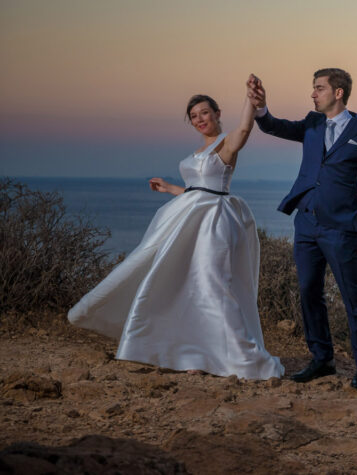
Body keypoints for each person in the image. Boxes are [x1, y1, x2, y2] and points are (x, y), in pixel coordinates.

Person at [68, 93, 284, 380]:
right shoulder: (197, 152)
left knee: (213, 284)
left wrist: (250, 100)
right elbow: (197, 190)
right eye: (194, 116)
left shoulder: (226, 145)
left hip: (213, 224)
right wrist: (170, 188)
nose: (199, 120)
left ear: (218, 113)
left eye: (204, 113)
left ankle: (242, 356)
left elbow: (244, 130)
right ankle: (192, 353)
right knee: (183, 283)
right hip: (185, 221)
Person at [247, 69, 357, 391]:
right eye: (313, 88)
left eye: (318, 88)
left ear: (338, 93)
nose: (313, 94)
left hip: (341, 227)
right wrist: (261, 107)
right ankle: (322, 358)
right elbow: (273, 126)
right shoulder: (311, 124)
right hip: (306, 223)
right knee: (309, 292)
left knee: (354, 298)